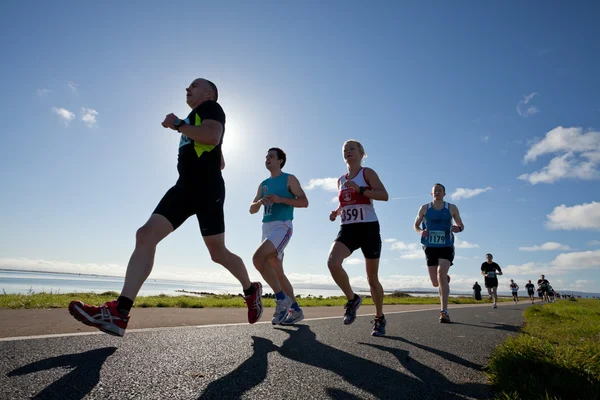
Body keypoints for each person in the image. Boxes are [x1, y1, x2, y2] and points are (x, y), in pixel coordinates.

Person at [68, 78, 263, 337]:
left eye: (195, 85)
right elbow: (219, 156)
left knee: (217, 253)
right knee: (145, 234)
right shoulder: (195, 118)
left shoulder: (211, 108)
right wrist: (195, 136)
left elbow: (213, 136)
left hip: (207, 191)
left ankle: (251, 290)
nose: (187, 88)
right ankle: (119, 312)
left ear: (208, 93)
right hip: (184, 188)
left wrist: (178, 124)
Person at [327, 140, 389, 336]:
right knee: (333, 263)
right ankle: (353, 299)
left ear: (362, 153)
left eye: (352, 149)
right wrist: (337, 211)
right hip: (347, 228)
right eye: (345, 150)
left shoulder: (367, 173)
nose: (348, 152)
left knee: (372, 279)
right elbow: (346, 201)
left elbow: (384, 195)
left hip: (368, 228)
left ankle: (379, 318)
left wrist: (361, 189)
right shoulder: (340, 180)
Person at [249, 148, 308, 325]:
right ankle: (296, 310)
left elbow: (304, 202)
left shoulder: (289, 179)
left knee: (258, 258)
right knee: (277, 271)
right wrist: (259, 202)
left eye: (271, 156)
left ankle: (281, 299)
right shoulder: (263, 184)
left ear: (280, 161)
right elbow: (251, 209)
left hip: (282, 226)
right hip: (266, 228)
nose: (267, 159)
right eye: (266, 156)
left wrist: (281, 199)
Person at [414, 183, 465, 323]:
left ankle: (444, 311)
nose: (437, 193)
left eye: (440, 191)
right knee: (435, 283)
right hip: (430, 247)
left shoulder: (452, 208)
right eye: (435, 191)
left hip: (446, 245)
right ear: (431, 194)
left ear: (444, 193)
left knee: (441, 272)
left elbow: (461, 225)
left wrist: (458, 228)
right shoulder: (424, 208)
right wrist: (421, 231)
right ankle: (444, 280)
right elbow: (416, 225)